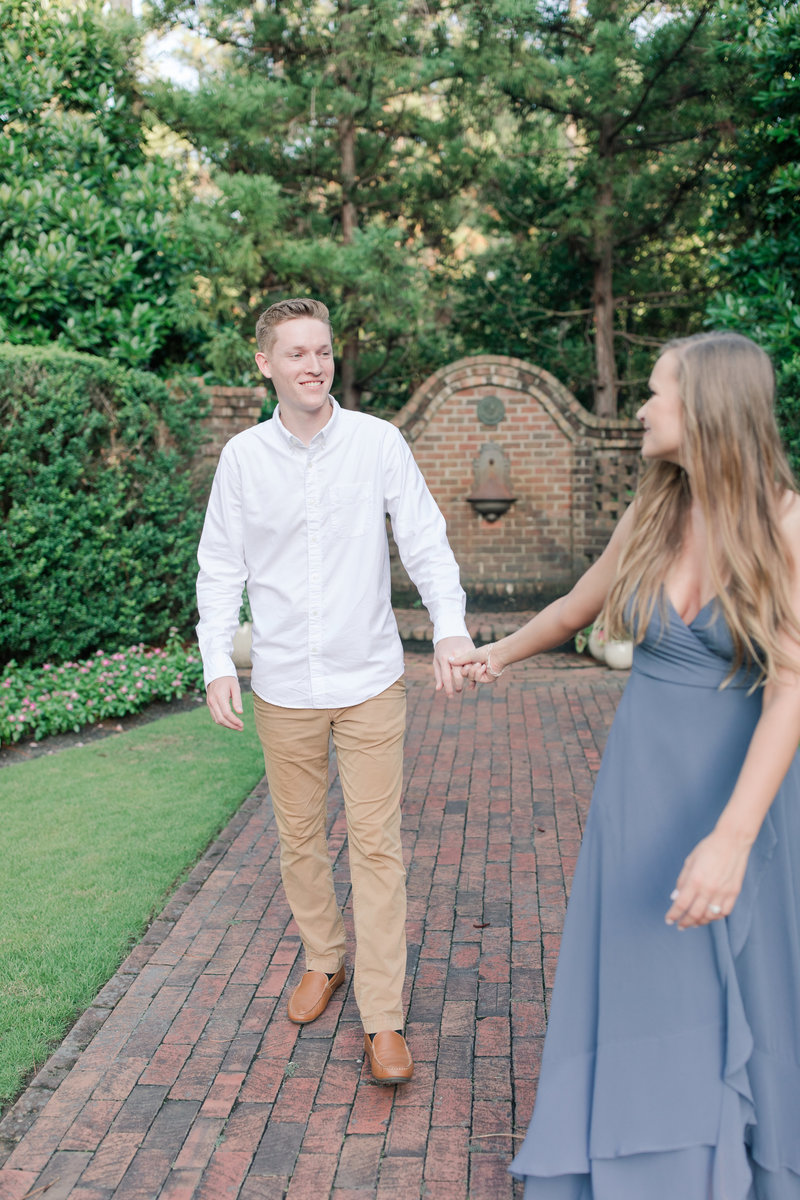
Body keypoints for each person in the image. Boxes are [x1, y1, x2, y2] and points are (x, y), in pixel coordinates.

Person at [453, 331, 800, 1197]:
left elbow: (793, 689)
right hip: (640, 795)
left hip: (741, 797)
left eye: (655, 393)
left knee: (744, 984)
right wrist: (496, 655)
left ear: (707, 407)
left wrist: (732, 839)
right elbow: (577, 606)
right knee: (644, 976)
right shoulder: (652, 514)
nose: (640, 410)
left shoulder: (787, 524)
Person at [196, 297, 472, 1085]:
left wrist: (449, 627)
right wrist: (218, 661)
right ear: (266, 365)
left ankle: (383, 1019)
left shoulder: (378, 442)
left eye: (322, 351)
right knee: (300, 839)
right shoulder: (243, 459)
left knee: (377, 847)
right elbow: (220, 567)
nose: (314, 365)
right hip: (284, 684)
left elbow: (424, 539)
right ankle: (325, 957)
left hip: (370, 681)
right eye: (297, 353)